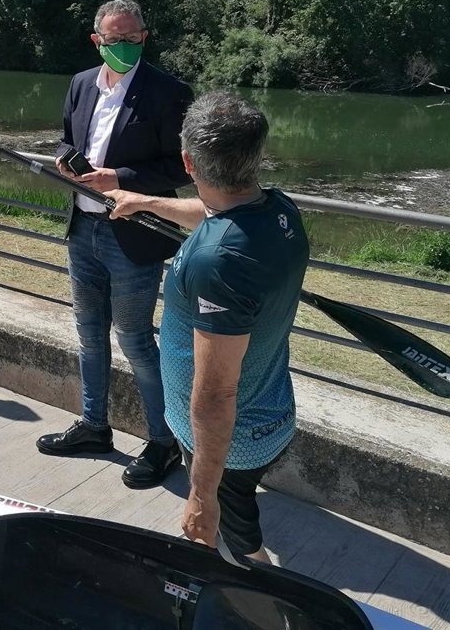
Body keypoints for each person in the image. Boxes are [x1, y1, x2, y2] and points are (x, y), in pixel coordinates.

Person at [106, 91, 309, 562]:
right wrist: (144, 202)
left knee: (240, 545)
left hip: (233, 442)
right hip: (270, 413)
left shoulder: (216, 264)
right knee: (234, 521)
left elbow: (216, 392)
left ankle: (262, 594)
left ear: (187, 162)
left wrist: (201, 495)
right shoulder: (278, 210)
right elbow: (218, 213)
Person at [36, 0, 194, 492]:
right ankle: (94, 426)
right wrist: (66, 160)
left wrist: (119, 177)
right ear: (97, 40)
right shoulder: (82, 83)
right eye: (115, 39)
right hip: (82, 230)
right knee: (89, 334)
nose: (124, 45)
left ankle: (163, 441)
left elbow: (181, 168)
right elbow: (66, 139)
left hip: (133, 233)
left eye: (133, 38)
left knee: (135, 340)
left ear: (144, 37)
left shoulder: (170, 92)